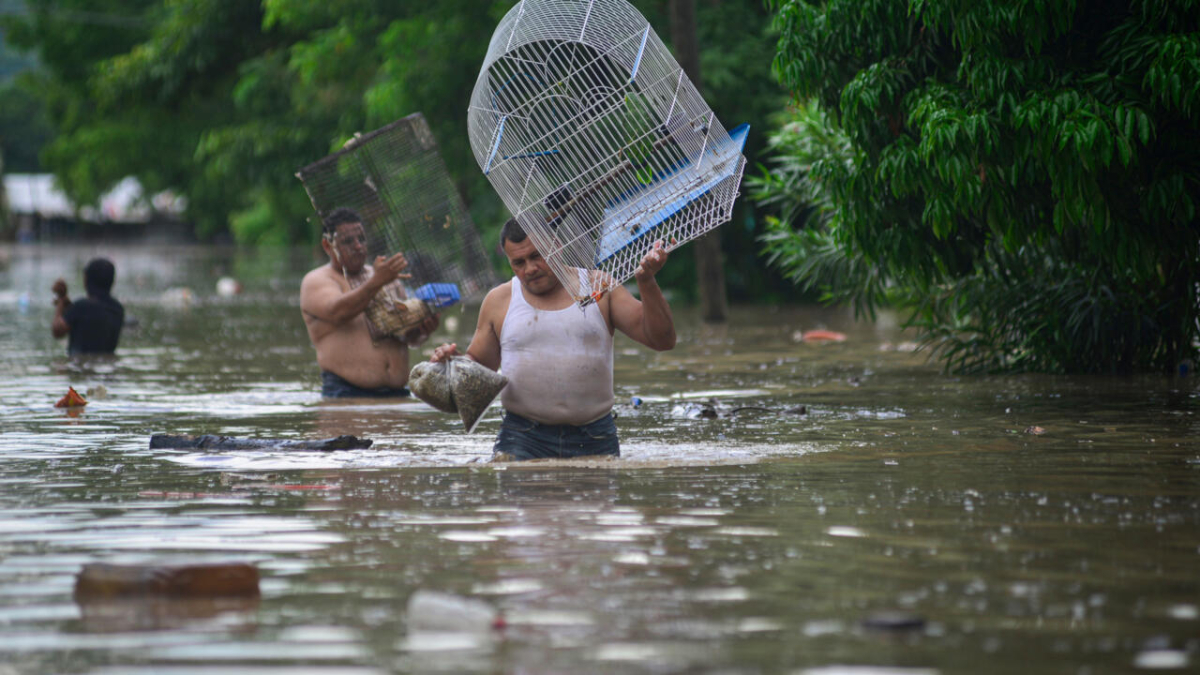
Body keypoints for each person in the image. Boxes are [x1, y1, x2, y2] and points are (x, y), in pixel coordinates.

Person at [430, 218, 676, 460]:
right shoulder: (499, 300)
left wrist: (647, 282)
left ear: (557, 246)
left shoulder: (598, 286)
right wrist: (452, 363)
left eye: (537, 256)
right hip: (522, 437)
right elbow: (478, 369)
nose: (529, 269)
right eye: (518, 262)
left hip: (595, 435)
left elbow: (662, 340)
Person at [300, 207, 439, 398]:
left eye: (361, 239)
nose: (358, 246)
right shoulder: (318, 280)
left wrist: (422, 331)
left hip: (398, 394)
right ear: (327, 245)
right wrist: (377, 282)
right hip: (346, 395)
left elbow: (406, 337)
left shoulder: (385, 276)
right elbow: (338, 311)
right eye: (348, 241)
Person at [51, 257, 125, 355]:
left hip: (79, 363)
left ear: (86, 280)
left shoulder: (81, 306)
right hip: (107, 361)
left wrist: (61, 300)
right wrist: (67, 304)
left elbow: (57, 331)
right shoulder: (118, 308)